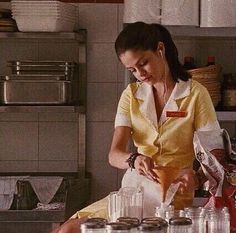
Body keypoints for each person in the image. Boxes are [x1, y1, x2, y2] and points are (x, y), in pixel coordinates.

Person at [51, 21, 225, 233]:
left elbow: (216, 155)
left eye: (143, 63)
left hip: (171, 197)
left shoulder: (196, 94)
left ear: (160, 49)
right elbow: (114, 155)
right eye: (132, 69)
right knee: (68, 230)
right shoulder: (131, 95)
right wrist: (134, 159)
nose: (140, 74)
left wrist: (196, 176)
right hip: (132, 193)